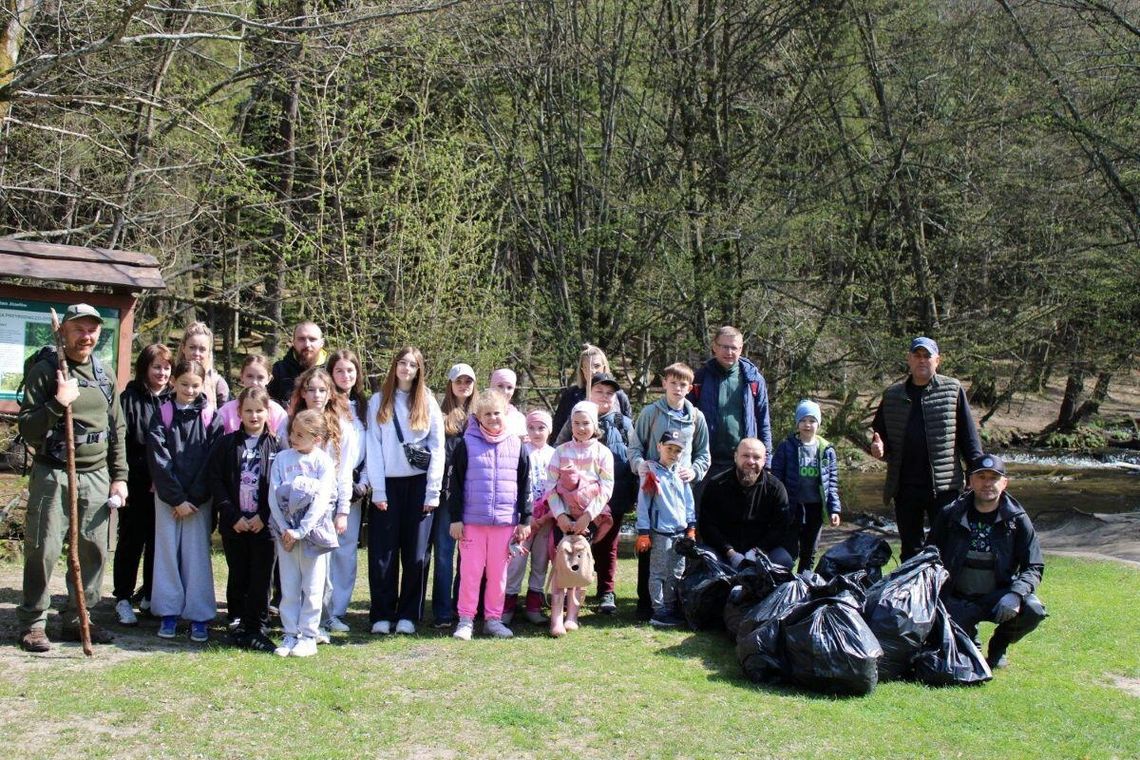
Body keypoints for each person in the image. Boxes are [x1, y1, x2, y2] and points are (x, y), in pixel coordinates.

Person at [17, 303, 128, 652]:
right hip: (54, 472)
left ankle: (79, 617)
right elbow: (28, 428)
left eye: (92, 329)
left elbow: (117, 428)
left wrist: (120, 476)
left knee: (94, 550)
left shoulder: (104, 373)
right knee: (43, 548)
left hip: (96, 474)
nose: (86, 336)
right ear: (63, 331)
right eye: (79, 329)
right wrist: (57, 403)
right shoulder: (46, 371)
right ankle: (34, 623)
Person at [926, 454, 1046, 669]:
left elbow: (1033, 566)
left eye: (993, 478)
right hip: (955, 597)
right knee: (963, 659)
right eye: (981, 477)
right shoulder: (950, 514)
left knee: (1033, 610)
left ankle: (999, 646)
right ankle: (969, 636)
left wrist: (1016, 594)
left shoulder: (1017, 519)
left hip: (998, 598)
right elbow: (929, 557)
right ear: (970, 481)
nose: (987, 483)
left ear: (1004, 483)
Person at [870, 336, 983, 561]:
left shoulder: (952, 390)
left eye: (927, 356)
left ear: (937, 360)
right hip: (904, 486)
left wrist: (977, 472)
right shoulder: (892, 395)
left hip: (944, 486)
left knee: (945, 547)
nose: (922, 360)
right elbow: (879, 436)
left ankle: (944, 585)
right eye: (917, 355)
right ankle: (911, 585)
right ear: (909, 359)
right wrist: (877, 447)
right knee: (910, 551)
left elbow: (968, 437)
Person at [365, 347, 445, 635]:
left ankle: (409, 614)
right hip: (388, 483)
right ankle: (382, 614)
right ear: (394, 365)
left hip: (419, 484)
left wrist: (433, 491)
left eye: (412, 365)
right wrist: (378, 490)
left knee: (416, 553)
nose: (406, 369)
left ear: (419, 370)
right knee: (383, 553)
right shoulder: (378, 401)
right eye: (402, 363)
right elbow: (373, 445)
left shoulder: (428, 401)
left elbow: (438, 447)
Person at [147, 359, 224, 642]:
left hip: (198, 501)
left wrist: (194, 498)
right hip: (167, 498)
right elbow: (158, 458)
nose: (189, 390)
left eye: (195, 385)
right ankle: (168, 613)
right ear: (173, 382)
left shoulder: (211, 416)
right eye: (184, 384)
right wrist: (176, 498)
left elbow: (212, 460)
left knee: (197, 557)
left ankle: (199, 616)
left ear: (203, 385)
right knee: (166, 554)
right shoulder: (163, 413)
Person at [628, 361, 711, 618]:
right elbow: (635, 448)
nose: (677, 388)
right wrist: (641, 466)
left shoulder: (696, 417)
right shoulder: (650, 413)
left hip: (680, 493)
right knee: (651, 551)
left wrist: (694, 471)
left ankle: (673, 605)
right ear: (664, 383)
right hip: (654, 489)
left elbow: (704, 454)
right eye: (673, 383)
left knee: (677, 556)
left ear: (690, 388)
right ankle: (648, 605)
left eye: (683, 384)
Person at [448, 390, 532, 640]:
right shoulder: (466, 444)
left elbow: (526, 484)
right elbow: (454, 484)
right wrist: (455, 518)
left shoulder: (517, 445)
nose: (493, 418)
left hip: (505, 523)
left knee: (498, 575)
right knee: (470, 574)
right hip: (472, 523)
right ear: (478, 417)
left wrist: (525, 520)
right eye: (487, 414)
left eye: (497, 413)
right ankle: (466, 620)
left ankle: (493, 620)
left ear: (505, 413)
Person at [208, 386, 282, 653]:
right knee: (238, 572)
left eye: (259, 410)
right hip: (235, 524)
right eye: (248, 410)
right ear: (239, 412)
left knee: (262, 575)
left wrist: (264, 516)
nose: (254, 416)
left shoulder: (278, 446)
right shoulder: (226, 444)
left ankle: (258, 625)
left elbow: (280, 485)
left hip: (265, 525)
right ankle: (238, 621)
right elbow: (215, 480)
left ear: (267, 412)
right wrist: (232, 515)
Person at [555, 373, 635, 615]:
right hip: (575, 500)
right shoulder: (575, 421)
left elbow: (633, 455)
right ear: (590, 393)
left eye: (610, 393)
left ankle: (606, 591)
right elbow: (558, 450)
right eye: (599, 391)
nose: (604, 396)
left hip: (613, 495)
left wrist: (631, 492)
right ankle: (570, 590)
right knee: (575, 544)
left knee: (608, 546)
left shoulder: (623, 423)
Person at [288, 367, 355, 639]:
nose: (316, 395)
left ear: (330, 394)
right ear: (302, 393)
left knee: (322, 568)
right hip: (295, 506)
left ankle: (324, 619)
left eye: (322, 390)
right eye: (311, 389)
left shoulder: (342, 427)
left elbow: (345, 472)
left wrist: (343, 510)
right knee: (296, 567)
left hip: (326, 507)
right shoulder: (291, 424)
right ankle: (295, 620)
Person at [268, 409, 338, 657]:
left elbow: (322, 499)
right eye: (292, 433)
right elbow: (273, 494)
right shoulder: (282, 459)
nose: (293, 438)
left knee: (312, 585)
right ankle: (290, 633)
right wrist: (284, 528)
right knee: (289, 585)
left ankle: (308, 635)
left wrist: (302, 529)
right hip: (286, 534)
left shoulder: (323, 461)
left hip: (313, 533)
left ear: (316, 439)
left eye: (300, 435)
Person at [113, 342, 172, 627]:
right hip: (135, 483)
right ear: (145, 368)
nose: (162, 373)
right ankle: (123, 597)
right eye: (156, 367)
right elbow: (120, 441)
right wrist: (120, 477)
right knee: (131, 540)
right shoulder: (129, 399)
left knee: (157, 541)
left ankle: (150, 594)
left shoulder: (174, 400)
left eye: (167, 367)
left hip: (164, 485)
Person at [546, 401, 614, 636]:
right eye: (576, 423)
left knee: (579, 563)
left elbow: (606, 488)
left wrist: (587, 516)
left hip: (589, 518)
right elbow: (550, 486)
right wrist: (560, 515)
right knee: (561, 563)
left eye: (586, 423)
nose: (581, 428)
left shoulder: (603, 453)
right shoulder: (560, 451)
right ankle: (556, 617)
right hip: (563, 518)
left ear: (594, 425)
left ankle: (572, 614)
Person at [323, 349, 370, 633]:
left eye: (350, 370)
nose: (345, 376)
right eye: (339, 370)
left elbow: (370, 448)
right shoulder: (325, 404)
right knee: (323, 551)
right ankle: (319, 611)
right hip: (326, 488)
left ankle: (338, 610)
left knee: (346, 552)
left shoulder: (363, 407)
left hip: (353, 490)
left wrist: (363, 483)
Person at [688, 326, 772, 482]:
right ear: (714, 347)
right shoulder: (699, 378)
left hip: (743, 461)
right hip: (706, 461)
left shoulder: (753, 379)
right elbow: (686, 419)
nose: (729, 352)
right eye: (724, 347)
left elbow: (763, 421)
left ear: (741, 349)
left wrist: (766, 462)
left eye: (734, 348)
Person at [698, 438, 796, 569]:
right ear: (735, 457)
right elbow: (707, 525)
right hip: (723, 552)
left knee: (784, 560)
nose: (750, 461)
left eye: (756, 457)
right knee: (705, 559)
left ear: (764, 460)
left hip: (762, 552)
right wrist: (730, 553)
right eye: (745, 455)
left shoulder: (776, 488)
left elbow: (780, 528)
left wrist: (757, 552)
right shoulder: (716, 485)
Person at [428, 362, 476, 628]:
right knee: (444, 553)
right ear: (450, 384)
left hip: (473, 493)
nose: (463, 385)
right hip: (446, 493)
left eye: (468, 381)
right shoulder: (438, 413)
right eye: (459, 381)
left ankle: (463, 606)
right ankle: (442, 611)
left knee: (468, 556)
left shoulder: (479, 415)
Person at [771, 399, 842, 573]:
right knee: (788, 550)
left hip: (815, 508)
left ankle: (805, 580)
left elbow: (832, 482)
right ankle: (784, 580)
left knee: (809, 550)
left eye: (812, 420)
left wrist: (834, 509)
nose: (807, 424)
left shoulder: (826, 450)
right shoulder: (786, 447)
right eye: (802, 420)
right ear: (797, 423)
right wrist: (775, 504)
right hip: (792, 507)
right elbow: (776, 478)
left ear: (818, 424)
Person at [635, 430, 696, 628]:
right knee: (658, 572)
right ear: (659, 446)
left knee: (676, 572)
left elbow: (688, 502)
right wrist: (643, 532)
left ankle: (671, 607)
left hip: (680, 533)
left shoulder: (681, 474)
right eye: (669, 448)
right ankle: (658, 609)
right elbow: (643, 503)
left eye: (678, 450)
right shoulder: (651, 472)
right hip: (660, 532)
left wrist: (691, 527)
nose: (673, 453)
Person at [504, 409, 555, 625]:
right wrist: (525, 516)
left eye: (541, 428)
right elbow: (513, 485)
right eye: (532, 428)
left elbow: (558, 487)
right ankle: (506, 607)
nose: (536, 432)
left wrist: (547, 516)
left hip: (547, 520)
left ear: (549, 430)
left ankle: (534, 607)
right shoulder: (520, 451)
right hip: (523, 521)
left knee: (540, 563)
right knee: (516, 563)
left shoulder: (555, 454)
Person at [550, 343, 633, 438]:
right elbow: (557, 429)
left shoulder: (619, 395)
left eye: (597, 366)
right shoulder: (571, 395)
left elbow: (629, 430)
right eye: (587, 367)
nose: (592, 371)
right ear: (582, 370)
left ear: (604, 367)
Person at [216, 354, 289, 436]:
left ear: (269, 379)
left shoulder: (277, 412)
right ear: (242, 376)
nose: (254, 382)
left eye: (260, 377)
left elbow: (284, 441)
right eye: (250, 376)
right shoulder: (226, 411)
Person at [268, 321, 326, 407]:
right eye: (301, 339)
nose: (307, 344)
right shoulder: (279, 370)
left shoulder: (332, 370)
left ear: (322, 343)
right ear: (293, 342)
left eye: (312, 339)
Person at [178, 321, 229, 410]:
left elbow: (225, 416)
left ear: (209, 352)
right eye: (192, 347)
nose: (196, 353)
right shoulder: (171, 380)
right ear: (183, 348)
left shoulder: (218, 384)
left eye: (202, 349)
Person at [488, 367, 528, 438]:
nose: (505, 391)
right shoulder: (480, 413)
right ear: (492, 386)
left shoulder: (518, 418)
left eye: (509, 387)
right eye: (500, 386)